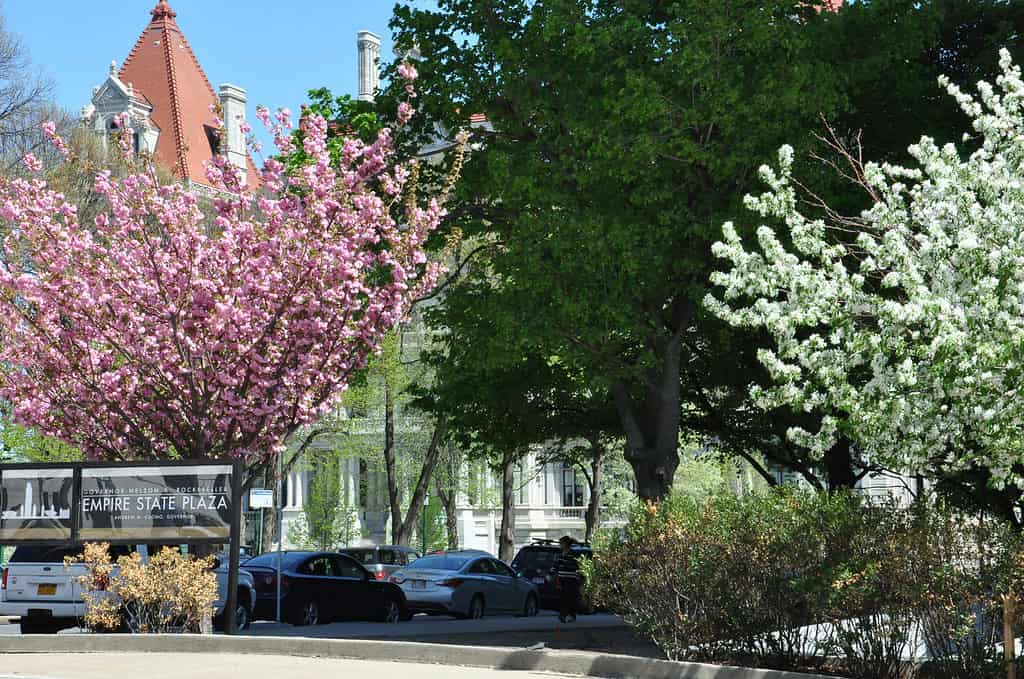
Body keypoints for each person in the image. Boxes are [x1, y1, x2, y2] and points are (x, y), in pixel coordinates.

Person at [551, 535, 581, 623]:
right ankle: (563, 615)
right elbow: (555, 566)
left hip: (571, 579)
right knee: (563, 598)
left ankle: (571, 615)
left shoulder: (573, 554)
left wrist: (578, 577)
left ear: (566, 544)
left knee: (570, 598)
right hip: (562, 579)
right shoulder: (560, 555)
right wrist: (549, 575)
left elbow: (577, 567)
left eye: (561, 543)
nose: (560, 545)